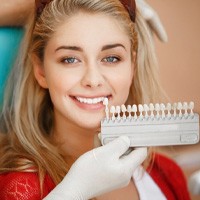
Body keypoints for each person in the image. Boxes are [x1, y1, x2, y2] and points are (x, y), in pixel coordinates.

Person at [0, 0, 190, 199]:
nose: (92, 79)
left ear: (132, 66)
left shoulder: (167, 173)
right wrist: (73, 193)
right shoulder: (19, 187)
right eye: (70, 59)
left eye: (111, 58)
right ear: (40, 70)